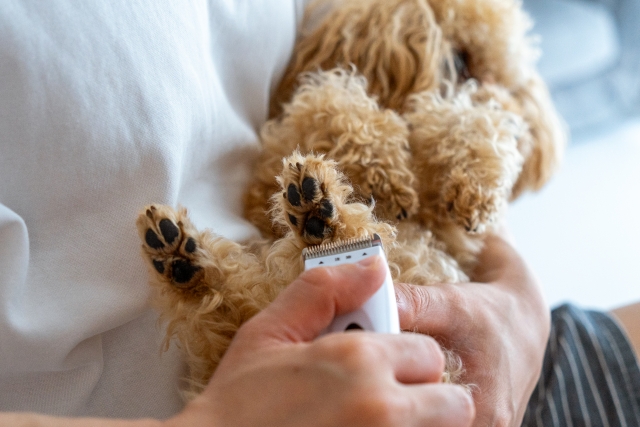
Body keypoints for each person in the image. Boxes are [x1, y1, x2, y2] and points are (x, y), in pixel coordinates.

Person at [0, 1, 638, 427]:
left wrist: (517, 293)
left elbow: (448, 119)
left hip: (496, 341)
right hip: (381, 372)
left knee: (605, 43)